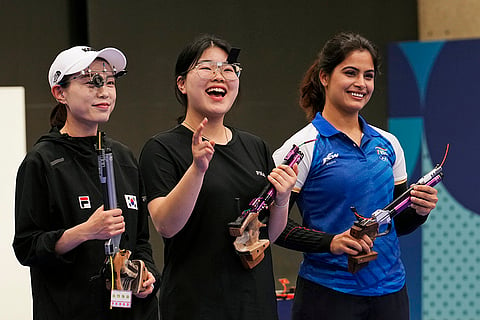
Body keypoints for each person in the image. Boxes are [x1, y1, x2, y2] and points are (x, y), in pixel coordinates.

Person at [272, 32, 439, 320]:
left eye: (368, 75)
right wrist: (331, 242)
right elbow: (275, 228)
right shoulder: (301, 146)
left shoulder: (388, 143)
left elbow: (396, 222)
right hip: (326, 295)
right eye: (350, 73)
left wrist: (419, 210)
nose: (361, 84)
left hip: (390, 294)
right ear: (325, 77)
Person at [139, 34, 298, 320]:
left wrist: (283, 198)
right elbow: (166, 225)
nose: (219, 76)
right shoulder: (162, 148)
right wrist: (197, 169)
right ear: (181, 83)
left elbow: (267, 236)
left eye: (228, 69)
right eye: (207, 67)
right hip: (196, 305)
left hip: (255, 304)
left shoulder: (255, 146)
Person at [13, 46, 160, 320]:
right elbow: (27, 247)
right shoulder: (42, 161)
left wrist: (145, 275)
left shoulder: (124, 157)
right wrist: (85, 231)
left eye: (110, 82)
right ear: (60, 93)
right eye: (91, 81)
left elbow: (140, 241)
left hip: (131, 311)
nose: (104, 91)